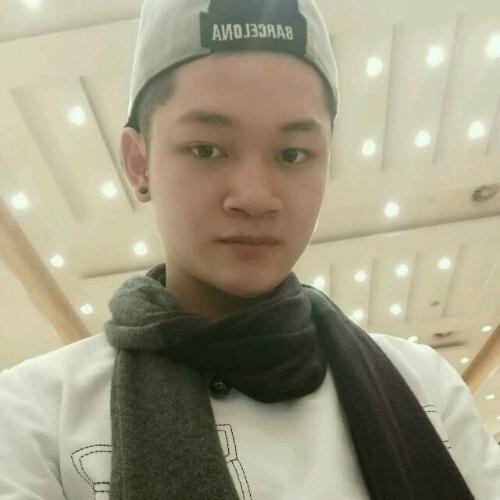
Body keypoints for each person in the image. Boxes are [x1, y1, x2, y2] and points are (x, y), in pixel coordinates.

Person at [1, 0, 499, 498]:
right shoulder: (36, 415)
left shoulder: (424, 386)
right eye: (206, 149)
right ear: (139, 164)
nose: (255, 197)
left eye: (292, 154)